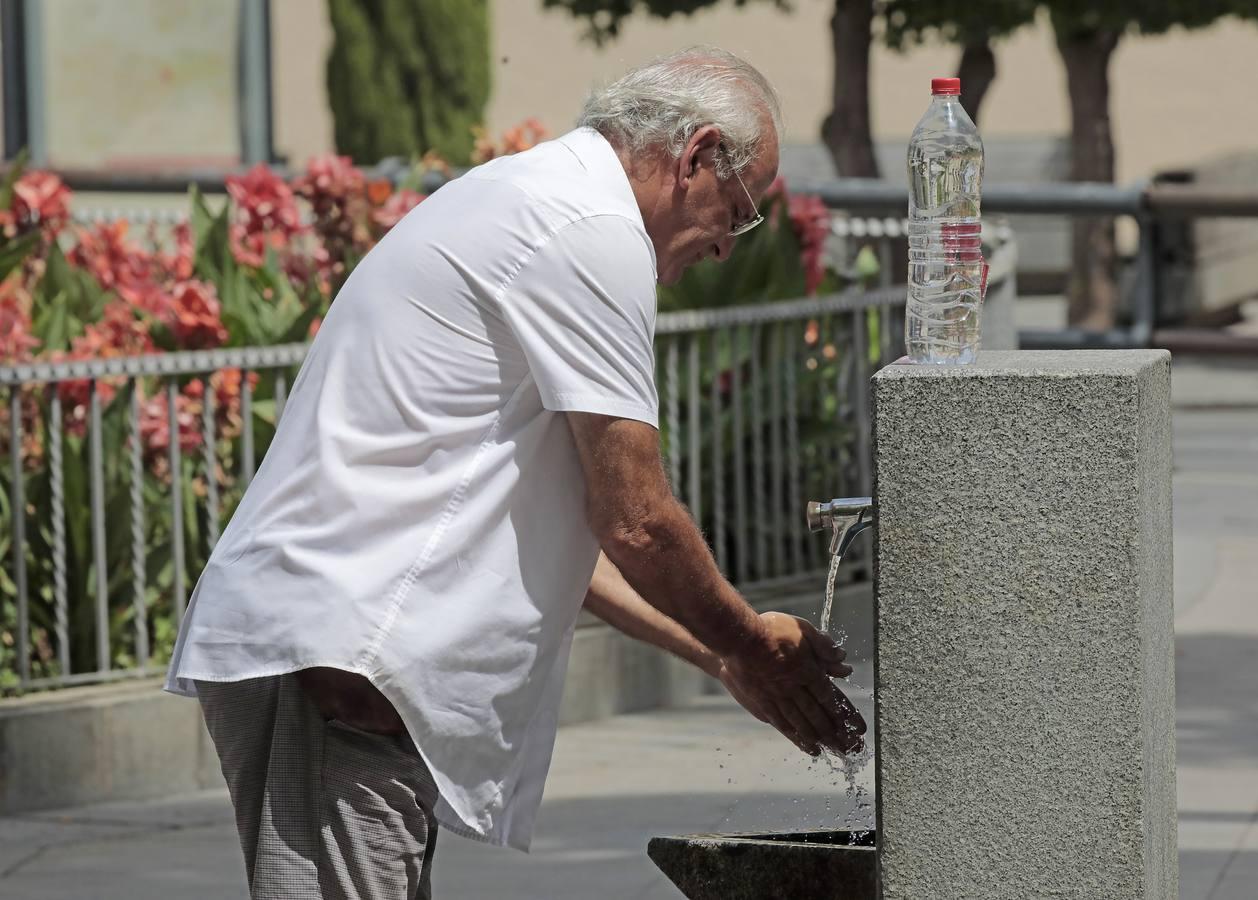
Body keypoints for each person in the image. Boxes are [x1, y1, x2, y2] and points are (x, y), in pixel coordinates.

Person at [164, 46, 865, 899]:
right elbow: (635, 518)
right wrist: (751, 642)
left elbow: (575, 537)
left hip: (344, 656)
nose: (727, 246)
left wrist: (725, 656)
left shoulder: (545, 199)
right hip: (338, 657)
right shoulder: (591, 232)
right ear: (695, 158)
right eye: (741, 208)